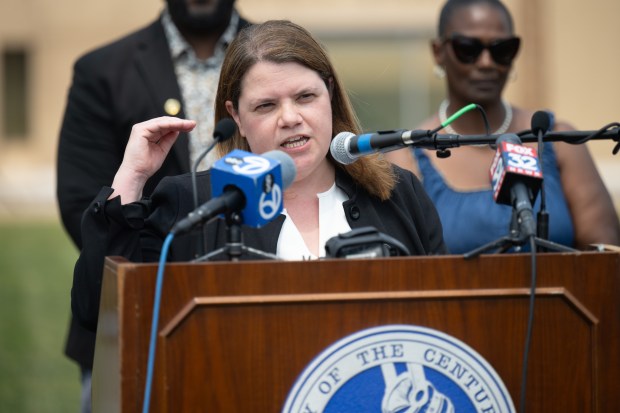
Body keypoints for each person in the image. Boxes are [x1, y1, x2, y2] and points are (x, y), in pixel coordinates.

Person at [71, 19, 448, 334]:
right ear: (236, 116)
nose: (289, 117)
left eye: (305, 97)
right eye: (266, 105)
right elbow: (102, 313)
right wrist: (131, 178)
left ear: (329, 94)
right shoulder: (194, 204)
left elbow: (443, 319)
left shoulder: (398, 195)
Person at [55, 1, 250, 411]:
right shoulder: (103, 69)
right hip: (139, 312)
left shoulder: (281, 54)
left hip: (260, 297)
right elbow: (79, 202)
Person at [387, 0, 620, 253]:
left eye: (502, 49)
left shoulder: (559, 141)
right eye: (468, 48)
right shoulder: (405, 157)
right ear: (438, 52)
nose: (487, 62)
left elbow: (606, 261)